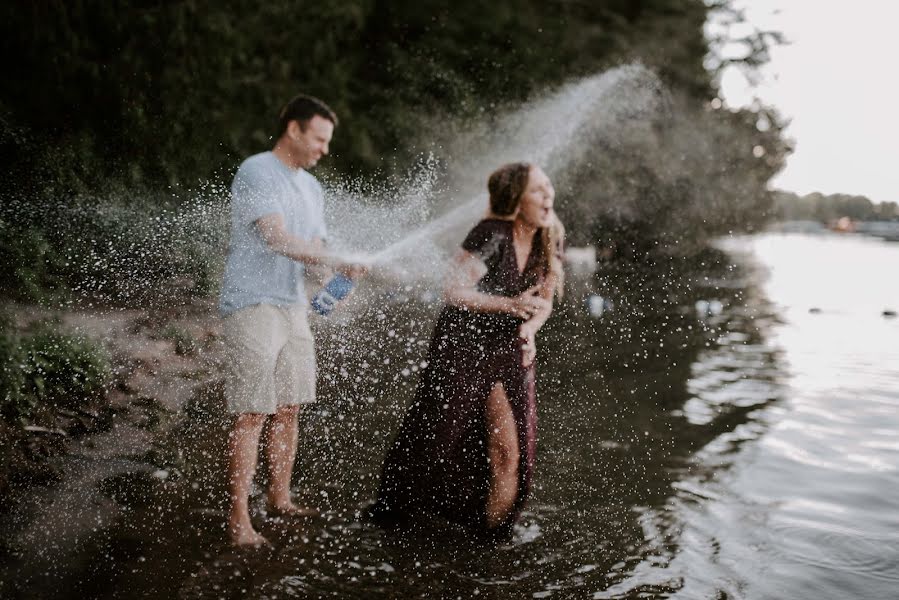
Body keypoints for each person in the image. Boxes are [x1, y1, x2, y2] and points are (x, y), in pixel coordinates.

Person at [373, 162, 564, 539]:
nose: (549, 196)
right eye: (538, 190)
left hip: (511, 347)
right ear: (516, 200)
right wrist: (508, 306)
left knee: (511, 451)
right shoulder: (492, 234)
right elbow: (454, 292)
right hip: (464, 343)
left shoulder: (551, 236)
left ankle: (493, 541)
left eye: (548, 187)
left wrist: (530, 329)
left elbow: (544, 302)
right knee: (439, 435)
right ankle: (397, 518)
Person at [219, 94, 364, 547]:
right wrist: (333, 255)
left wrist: (339, 276)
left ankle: (280, 497)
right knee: (252, 412)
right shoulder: (258, 170)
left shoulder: (313, 188)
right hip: (253, 303)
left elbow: (312, 256)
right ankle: (239, 518)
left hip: (292, 305)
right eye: (319, 139)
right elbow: (275, 236)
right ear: (295, 130)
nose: (324, 149)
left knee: (290, 406)